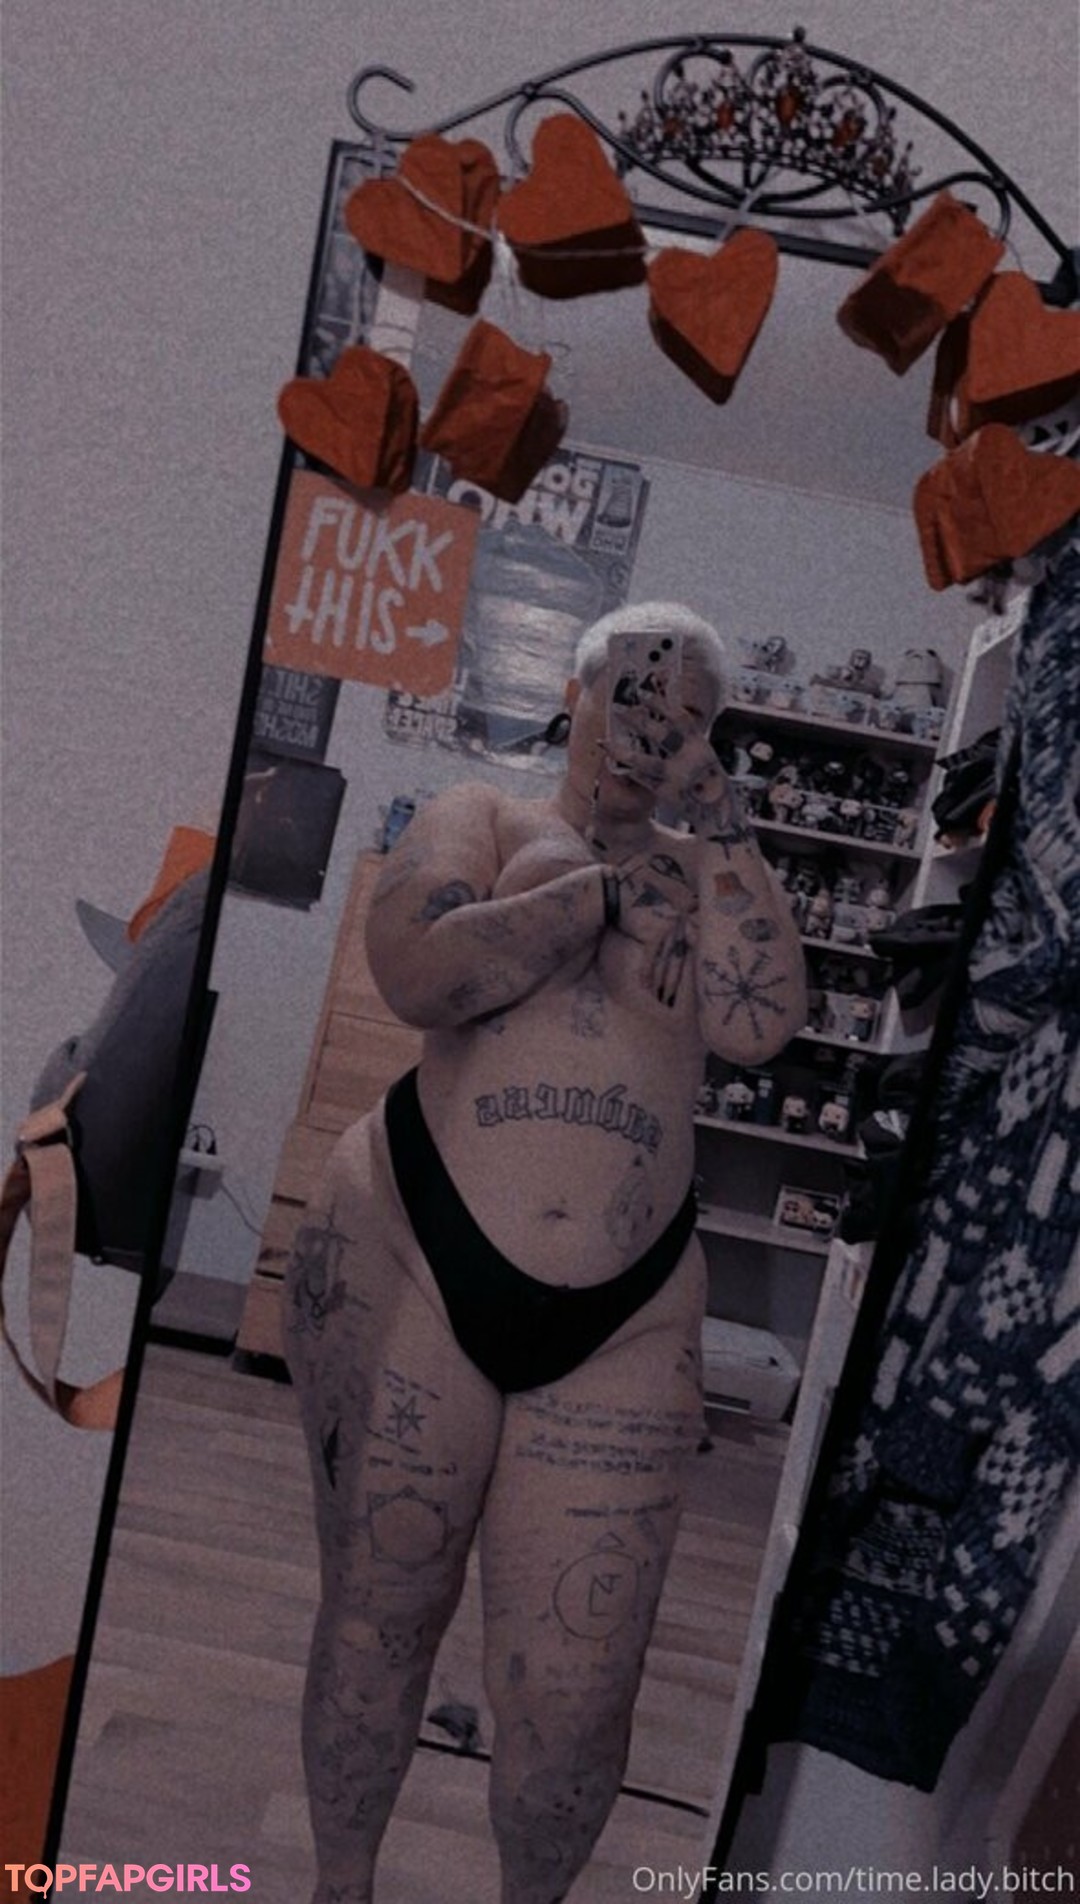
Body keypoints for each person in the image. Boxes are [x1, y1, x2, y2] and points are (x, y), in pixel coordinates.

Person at [284, 601, 807, 1904]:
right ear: (575, 693)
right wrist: (584, 900)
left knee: (577, 1695)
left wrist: (718, 821)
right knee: (378, 1617)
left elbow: (764, 1028)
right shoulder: (484, 815)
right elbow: (412, 968)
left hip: (625, 1315)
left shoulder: (702, 871)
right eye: (633, 699)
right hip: (418, 1251)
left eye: (686, 721)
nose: (651, 735)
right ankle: (339, 1886)